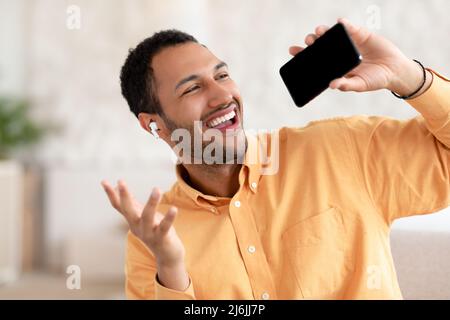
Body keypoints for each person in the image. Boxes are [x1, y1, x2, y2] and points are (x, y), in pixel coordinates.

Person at [101, 18, 449, 299]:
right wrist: (173, 267)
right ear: (154, 124)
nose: (223, 95)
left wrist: (410, 78)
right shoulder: (154, 241)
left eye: (222, 75)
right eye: (192, 88)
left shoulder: (338, 149)